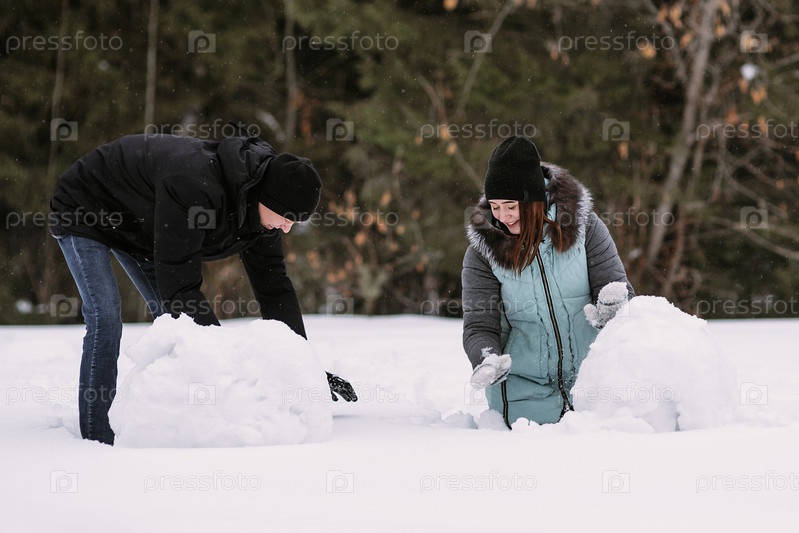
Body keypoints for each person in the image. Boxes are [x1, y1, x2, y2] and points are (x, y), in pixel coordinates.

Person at [50, 128, 357, 446]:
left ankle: (164, 416)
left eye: (295, 221)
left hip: (141, 224)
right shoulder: (195, 187)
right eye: (285, 217)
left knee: (174, 321)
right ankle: (98, 437)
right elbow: (181, 286)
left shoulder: (263, 210)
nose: (287, 228)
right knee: (106, 315)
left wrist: (304, 369)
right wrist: (224, 364)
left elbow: (274, 288)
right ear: (267, 198)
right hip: (85, 205)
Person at [462, 136, 634, 428]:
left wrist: (612, 309)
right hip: (522, 396)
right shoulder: (483, 253)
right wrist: (486, 358)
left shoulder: (584, 228)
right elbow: (480, 325)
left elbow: (619, 292)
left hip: (594, 387)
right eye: (495, 206)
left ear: (534, 201)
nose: (502, 216)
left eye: (511, 206)